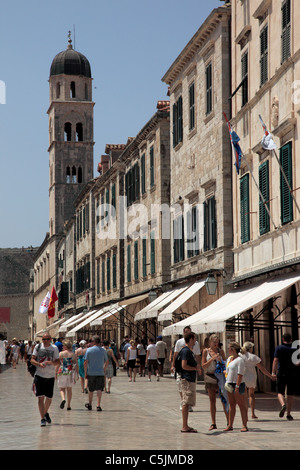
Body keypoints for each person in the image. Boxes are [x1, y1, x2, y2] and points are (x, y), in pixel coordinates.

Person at [30, 334, 60, 426]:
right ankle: (42, 418)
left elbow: (58, 361)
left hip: (50, 376)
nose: (45, 341)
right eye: (43, 339)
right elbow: (32, 360)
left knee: (49, 398)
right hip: (39, 375)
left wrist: (51, 362)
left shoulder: (54, 348)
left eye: (47, 339)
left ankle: (45, 412)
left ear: (50, 339)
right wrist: (39, 364)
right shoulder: (38, 347)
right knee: (40, 397)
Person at [241, 341, 275, 419]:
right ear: (250, 348)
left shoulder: (240, 356)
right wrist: (270, 376)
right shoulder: (254, 357)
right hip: (251, 377)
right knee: (252, 395)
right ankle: (252, 413)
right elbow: (262, 369)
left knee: (244, 396)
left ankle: (245, 413)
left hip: (243, 377)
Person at [202, 334, 229, 431]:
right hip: (210, 376)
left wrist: (220, 360)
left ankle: (228, 422)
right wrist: (212, 359)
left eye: (217, 342)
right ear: (210, 342)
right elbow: (204, 366)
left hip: (220, 376)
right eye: (214, 342)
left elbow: (226, 363)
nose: (216, 344)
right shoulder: (206, 351)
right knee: (212, 400)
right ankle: (213, 423)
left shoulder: (221, 351)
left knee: (223, 399)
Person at [171, 326, 201, 411]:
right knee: (181, 386)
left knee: (189, 388)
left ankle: (186, 403)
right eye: (186, 332)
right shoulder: (180, 343)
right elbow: (175, 354)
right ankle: (184, 401)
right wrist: (173, 365)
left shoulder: (196, 344)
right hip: (182, 370)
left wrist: (198, 366)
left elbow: (197, 355)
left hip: (191, 369)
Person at [272, 332, 299, 421]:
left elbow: (275, 360)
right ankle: (289, 414)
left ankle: (283, 405)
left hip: (281, 373)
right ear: (291, 340)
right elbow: (297, 363)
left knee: (280, 392)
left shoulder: (279, 348)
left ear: (283, 339)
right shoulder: (295, 349)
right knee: (290, 394)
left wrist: (273, 372)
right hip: (292, 374)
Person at [179, 331, 201, 433]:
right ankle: (184, 426)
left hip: (189, 379)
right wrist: (195, 368)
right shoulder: (186, 351)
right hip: (187, 380)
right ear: (191, 339)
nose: (196, 340)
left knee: (187, 403)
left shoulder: (189, 350)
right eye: (195, 338)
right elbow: (184, 366)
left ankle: (186, 425)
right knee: (185, 402)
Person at [224, 342, 248, 433]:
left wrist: (237, 386)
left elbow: (240, 374)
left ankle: (244, 425)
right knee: (232, 404)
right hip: (229, 383)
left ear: (233, 349)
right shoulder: (230, 359)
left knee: (241, 405)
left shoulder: (240, 360)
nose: (228, 349)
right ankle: (230, 424)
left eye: (229, 348)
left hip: (237, 384)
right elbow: (228, 371)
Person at [84, 335, 108, 411]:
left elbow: (85, 362)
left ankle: (90, 404)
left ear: (94, 342)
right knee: (99, 389)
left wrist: (85, 372)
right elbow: (106, 361)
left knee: (91, 389)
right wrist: (104, 369)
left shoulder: (89, 350)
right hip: (100, 372)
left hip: (91, 372)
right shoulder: (103, 350)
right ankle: (98, 405)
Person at [56, 339, 78, 411]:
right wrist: (77, 373)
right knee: (69, 389)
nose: (62, 347)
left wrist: (55, 373)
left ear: (65, 346)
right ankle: (68, 405)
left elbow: (58, 364)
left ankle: (63, 399)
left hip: (62, 371)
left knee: (62, 388)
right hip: (70, 372)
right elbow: (76, 364)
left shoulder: (61, 354)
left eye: (63, 345)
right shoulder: (73, 354)